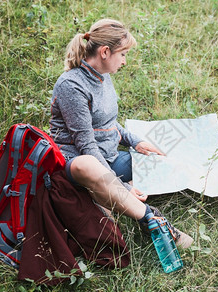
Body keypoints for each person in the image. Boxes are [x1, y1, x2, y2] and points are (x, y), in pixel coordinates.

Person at [49, 19, 193, 248]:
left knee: (162, 158)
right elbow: (86, 144)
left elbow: (108, 123)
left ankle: (106, 199)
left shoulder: (103, 77)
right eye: (123, 54)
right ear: (105, 52)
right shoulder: (72, 86)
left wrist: (136, 143)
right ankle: (152, 220)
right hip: (78, 164)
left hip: (110, 159)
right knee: (91, 166)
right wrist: (123, 186)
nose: (125, 61)